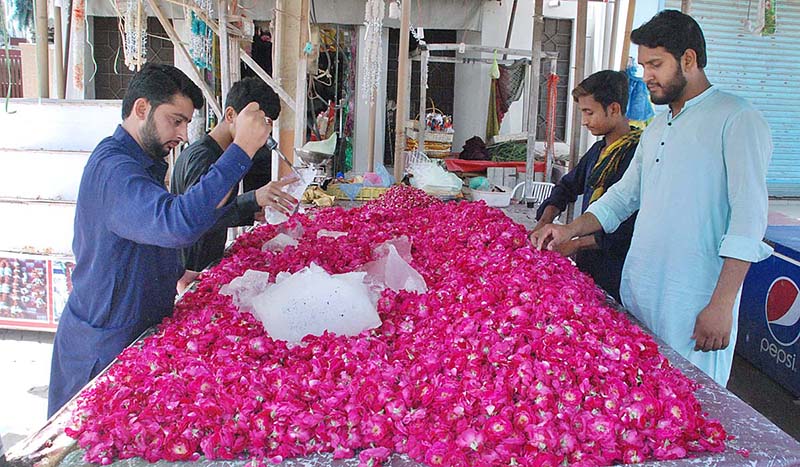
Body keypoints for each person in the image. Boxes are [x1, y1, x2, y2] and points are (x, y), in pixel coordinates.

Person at [531, 10, 772, 387]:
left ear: (688, 60)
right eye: (644, 65)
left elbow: (749, 219)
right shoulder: (657, 127)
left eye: (656, 64)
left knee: (691, 405)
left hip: (692, 302)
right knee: (646, 402)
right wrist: (568, 230)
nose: (647, 77)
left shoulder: (736, 119)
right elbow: (623, 198)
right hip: (640, 293)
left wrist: (722, 305)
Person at [48, 64, 272, 416]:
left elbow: (143, 234)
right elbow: (175, 223)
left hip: (131, 332)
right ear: (142, 109)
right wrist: (240, 151)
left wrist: (174, 273)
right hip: (102, 347)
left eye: (185, 123)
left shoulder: (143, 165)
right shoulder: (115, 170)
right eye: (175, 120)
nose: (183, 134)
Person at [171, 77, 297, 292]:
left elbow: (219, 209)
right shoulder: (202, 156)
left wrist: (252, 210)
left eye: (266, 125)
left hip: (208, 261)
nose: (263, 132)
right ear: (231, 115)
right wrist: (253, 199)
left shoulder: (224, 153)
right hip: (192, 267)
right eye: (257, 121)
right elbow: (198, 217)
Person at [532, 70, 641, 302]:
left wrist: (575, 243)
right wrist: (545, 221)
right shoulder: (598, 151)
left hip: (616, 269)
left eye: (589, 112)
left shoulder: (636, 156)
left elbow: (628, 225)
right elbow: (567, 187)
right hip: (588, 265)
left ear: (614, 109)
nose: (584, 121)